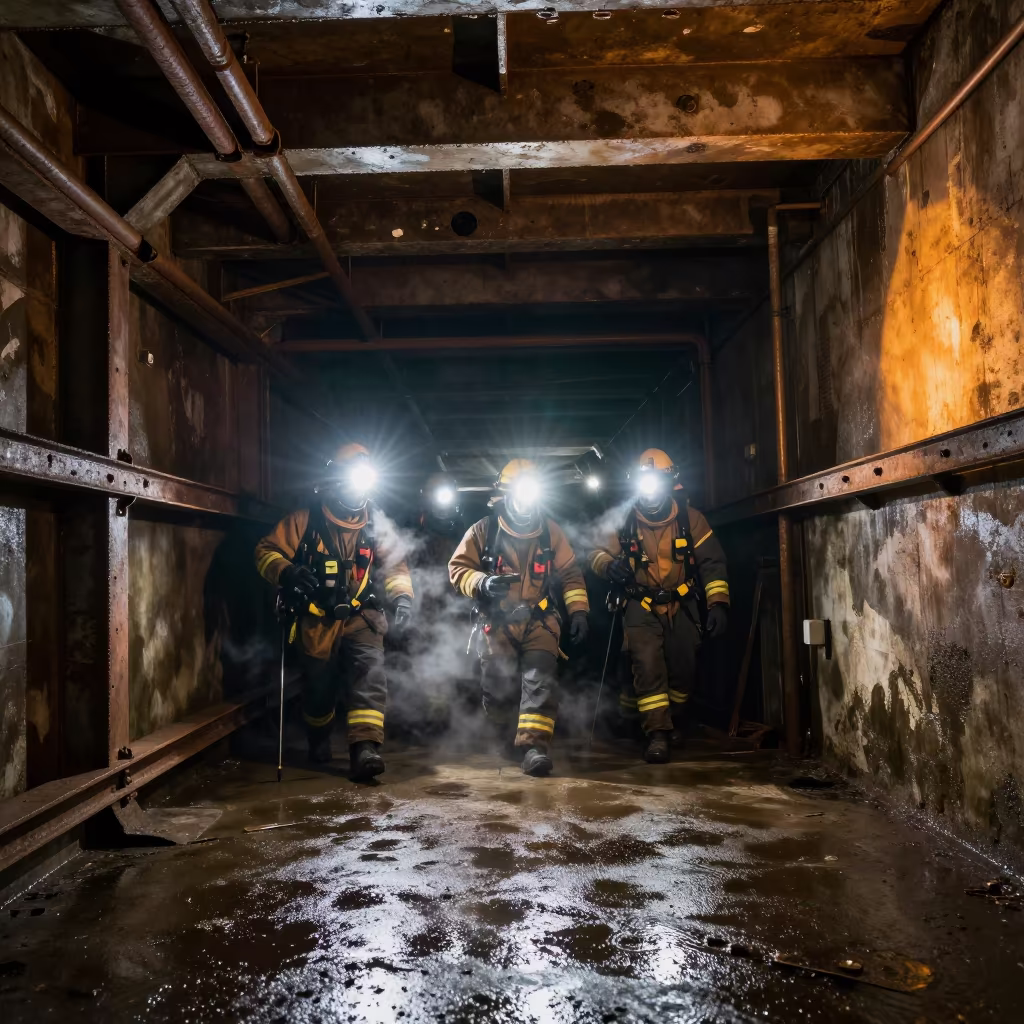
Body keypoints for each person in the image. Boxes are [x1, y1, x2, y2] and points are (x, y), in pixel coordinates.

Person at [254, 442, 413, 781]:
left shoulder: (375, 526)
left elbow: (396, 564)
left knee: (369, 674)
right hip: (316, 618)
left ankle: (365, 749)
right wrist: (286, 571)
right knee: (319, 689)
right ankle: (318, 736)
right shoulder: (305, 520)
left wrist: (402, 597)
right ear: (336, 480)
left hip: (361, 615)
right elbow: (266, 550)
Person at [449, 459, 590, 777]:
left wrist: (579, 611)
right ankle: (502, 734)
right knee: (497, 690)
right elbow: (457, 569)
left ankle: (534, 748)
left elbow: (570, 574)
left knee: (540, 678)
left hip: (539, 619)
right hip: (497, 622)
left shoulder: (550, 532)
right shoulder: (484, 530)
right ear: (505, 495)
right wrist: (482, 583)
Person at [589, 448, 729, 764]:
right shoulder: (624, 520)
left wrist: (718, 603)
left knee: (683, 667)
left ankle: (672, 718)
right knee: (647, 663)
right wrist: (609, 566)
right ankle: (657, 735)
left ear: (670, 485)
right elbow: (595, 553)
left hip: (682, 603)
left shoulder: (690, 519)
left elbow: (712, 562)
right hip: (640, 603)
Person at [388, 473, 467, 738]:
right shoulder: (408, 525)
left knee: (444, 662)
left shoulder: (463, 529)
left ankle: (438, 721)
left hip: (449, 606)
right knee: (412, 660)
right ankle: (410, 719)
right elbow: (394, 562)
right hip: (417, 604)